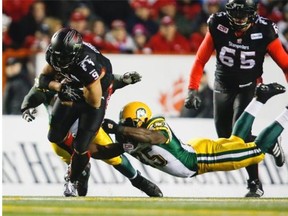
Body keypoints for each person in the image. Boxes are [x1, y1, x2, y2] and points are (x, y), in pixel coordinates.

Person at [91, 83, 286, 197]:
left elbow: (155, 138)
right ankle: (259, 98)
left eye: (129, 123)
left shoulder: (154, 125)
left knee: (257, 150)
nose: (126, 128)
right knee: (237, 140)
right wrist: (83, 146)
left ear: (141, 119)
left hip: (200, 159)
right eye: (124, 123)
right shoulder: (130, 137)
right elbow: (109, 152)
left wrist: (118, 128)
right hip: (194, 150)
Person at [33, 27, 161, 197]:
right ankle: (80, 170)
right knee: (56, 139)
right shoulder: (56, 60)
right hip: (67, 116)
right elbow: (39, 84)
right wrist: (58, 88)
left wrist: (118, 81)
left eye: (63, 58)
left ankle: (138, 180)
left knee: (94, 151)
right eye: (57, 57)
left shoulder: (86, 68)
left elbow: (95, 98)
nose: (58, 62)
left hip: (89, 102)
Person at [184, 0, 288, 197]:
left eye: (243, 15)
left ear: (252, 14)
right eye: (236, 14)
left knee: (240, 135)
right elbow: (200, 59)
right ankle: (269, 142)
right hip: (222, 85)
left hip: (249, 87)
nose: (239, 19)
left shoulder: (265, 30)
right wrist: (192, 89)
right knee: (225, 139)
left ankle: (254, 183)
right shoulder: (218, 23)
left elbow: (285, 64)